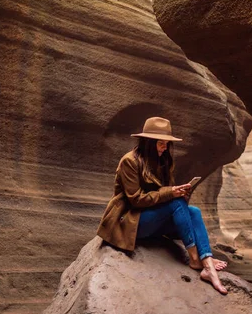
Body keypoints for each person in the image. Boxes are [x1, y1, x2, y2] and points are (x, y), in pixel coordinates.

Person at [97, 116, 228, 294]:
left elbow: (165, 197)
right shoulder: (129, 161)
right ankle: (196, 259)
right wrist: (171, 193)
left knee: (194, 212)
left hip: (154, 220)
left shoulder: (163, 161)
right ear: (148, 143)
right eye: (161, 144)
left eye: (166, 144)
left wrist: (179, 192)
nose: (164, 148)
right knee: (175, 201)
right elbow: (136, 199)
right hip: (131, 222)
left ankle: (206, 260)